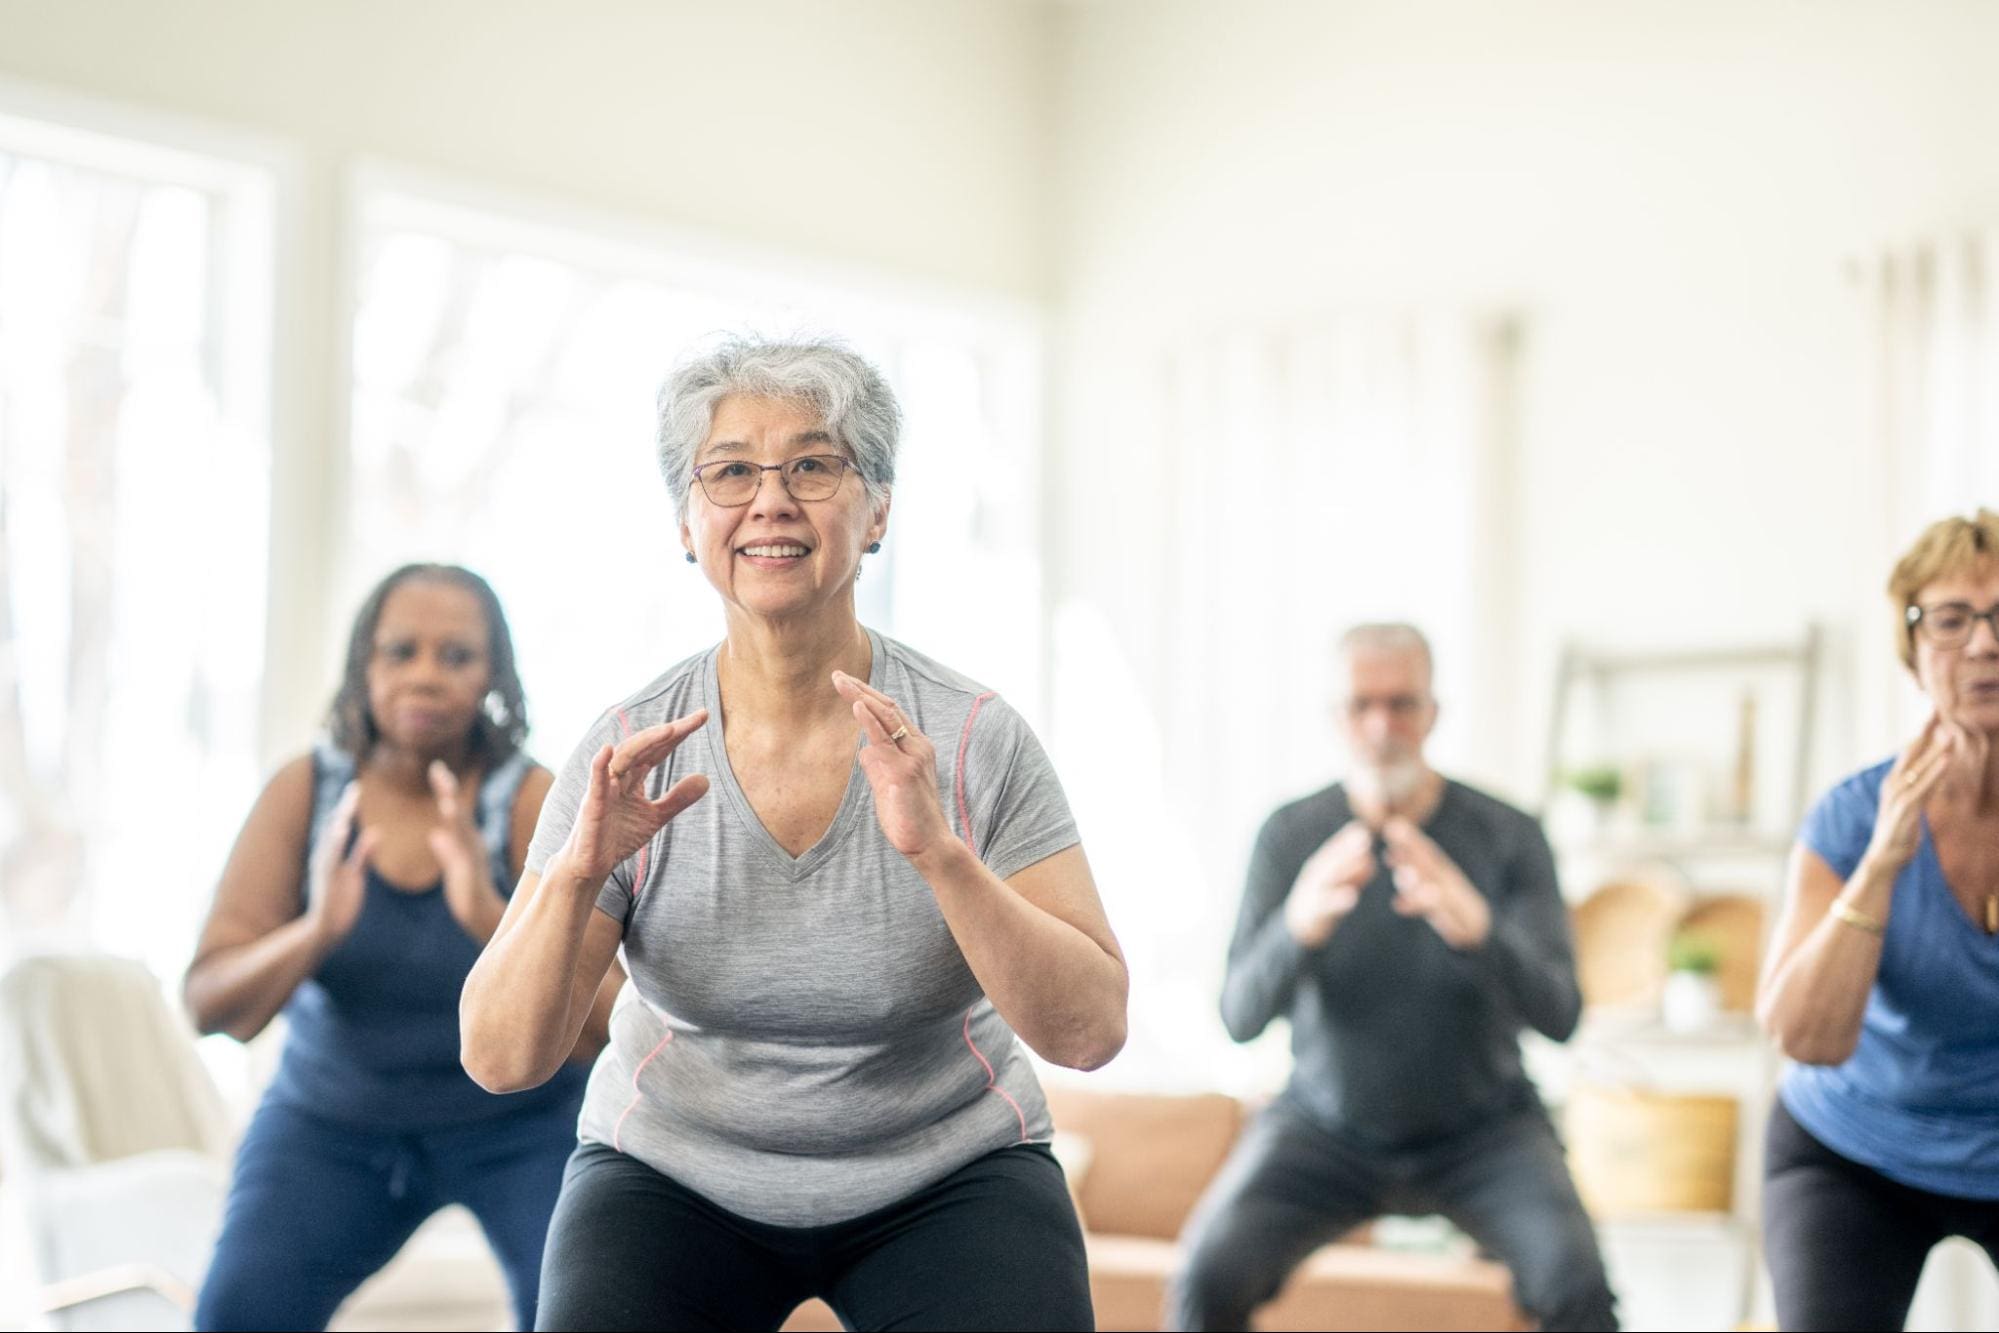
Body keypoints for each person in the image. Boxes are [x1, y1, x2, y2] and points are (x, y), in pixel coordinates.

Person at [460, 335, 1126, 1333]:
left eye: (813, 465)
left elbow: (1092, 1030)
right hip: (674, 1172)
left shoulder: (974, 737)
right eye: (730, 471)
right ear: (689, 522)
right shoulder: (628, 749)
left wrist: (939, 856)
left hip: (948, 1170)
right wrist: (575, 873)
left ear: (877, 511)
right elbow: (501, 1057)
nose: (770, 500)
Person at [185, 563, 615, 1332]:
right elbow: (211, 1004)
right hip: (333, 1123)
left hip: (518, 1128)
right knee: (236, 1311)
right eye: (400, 652)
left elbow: (611, 1024)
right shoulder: (306, 791)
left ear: (493, 674)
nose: (425, 677)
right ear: (364, 665)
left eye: (455, 657)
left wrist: (486, 909)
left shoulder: (527, 798)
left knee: (585, 1313)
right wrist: (315, 928)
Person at [1169, 622, 1617, 1332]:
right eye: (1361, 705)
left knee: (1577, 1285)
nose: (1382, 726)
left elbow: (1560, 1015)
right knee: (1206, 1274)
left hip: (1485, 1131)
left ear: (1433, 712)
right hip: (1322, 1126)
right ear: (1335, 717)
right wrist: (1297, 925)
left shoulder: (1508, 833)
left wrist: (1479, 928)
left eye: (1402, 703)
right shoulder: (1288, 835)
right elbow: (1237, 1015)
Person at [1757, 509, 1999, 1331]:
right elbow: (1803, 1034)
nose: (1981, 644)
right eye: (1951, 619)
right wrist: (1882, 861)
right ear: (1912, 645)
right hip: (1853, 1147)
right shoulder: (1852, 817)